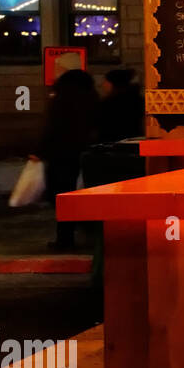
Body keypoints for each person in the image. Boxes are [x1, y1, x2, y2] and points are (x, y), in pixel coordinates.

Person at [38, 68, 98, 251]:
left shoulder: (61, 99)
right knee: (74, 195)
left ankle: (65, 238)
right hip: (82, 153)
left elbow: (52, 128)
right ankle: (74, 233)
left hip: (60, 155)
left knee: (60, 196)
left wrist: (40, 151)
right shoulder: (91, 98)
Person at [96, 67, 145, 143]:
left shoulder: (108, 104)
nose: (103, 85)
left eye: (105, 82)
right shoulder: (137, 100)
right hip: (134, 141)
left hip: (112, 143)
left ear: (113, 84)